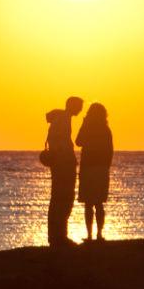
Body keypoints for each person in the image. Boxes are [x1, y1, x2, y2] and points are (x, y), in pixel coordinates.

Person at [41, 95, 83, 246]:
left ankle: (57, 235)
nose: (80, 110)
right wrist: (66, 157)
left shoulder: (62, 118)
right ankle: (59, 237)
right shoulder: (64, 119)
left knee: (59, 198)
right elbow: (59, 142)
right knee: (63, 198)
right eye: (79, 106)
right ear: (72, 105)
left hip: (60, 164)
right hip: (62, 165)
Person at [76, 102, 114, 242]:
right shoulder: (106, 129)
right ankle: (98, 234)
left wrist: (84, 124)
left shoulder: (88, 128)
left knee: (88, 203)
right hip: (101, 169)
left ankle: (90, 235)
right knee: (98, 203)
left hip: (88, 168)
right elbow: (110, 151)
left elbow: (78, 141)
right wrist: (106, 167)